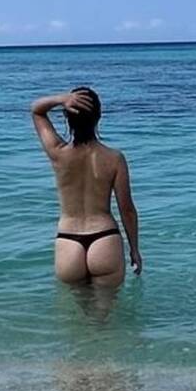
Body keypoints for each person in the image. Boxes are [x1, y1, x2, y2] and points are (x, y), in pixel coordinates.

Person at [30, 88, 142, 288]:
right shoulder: (114, 158)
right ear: (99, 116)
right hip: (104, 238)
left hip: (68, 242)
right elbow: (127, 209)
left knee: (77, 308)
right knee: (106, 308)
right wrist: (134, 249)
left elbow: (37, 111)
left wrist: (62, 99)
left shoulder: (58, 153)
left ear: (67, 117)